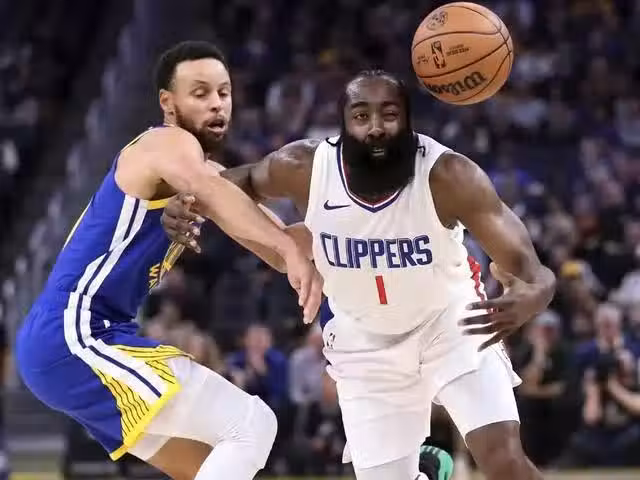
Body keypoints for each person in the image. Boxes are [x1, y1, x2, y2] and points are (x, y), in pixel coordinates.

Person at [164, 69, 557, 479]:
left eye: (389, 114)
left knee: (502, 459)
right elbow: (234, 182)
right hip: (363, 340)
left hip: (450, 322)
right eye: (361, 115)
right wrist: (186, 201)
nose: (376, 127)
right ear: (343, 123)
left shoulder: (449, 176)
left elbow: (535, 273)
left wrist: (531, 297)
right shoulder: (303, 167)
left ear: (408, 121)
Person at [15, 40, 324, 480]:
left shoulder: (204, 177)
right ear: (168, 103)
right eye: (200, 93)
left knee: (205, 465)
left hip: (75, 341)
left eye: (224, 92)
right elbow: (218, 194)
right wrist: (289, 247)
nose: (217, 104)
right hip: (76, 333)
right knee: (252, 424)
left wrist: (349, 225)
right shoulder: (164, 143)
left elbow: (278, 248)